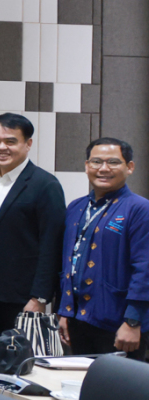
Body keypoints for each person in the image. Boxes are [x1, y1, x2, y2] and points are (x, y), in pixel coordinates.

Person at [0, 113, 67, 333]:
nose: (1, 147)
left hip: (21, 295)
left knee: (17, 352)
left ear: (28, 144)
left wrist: (40, 297)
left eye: (10, 141)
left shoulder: (46, 185)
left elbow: (52, 244)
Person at [56, 138, 149, 361]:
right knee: (80, 381)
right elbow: (68, 263)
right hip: (78, 319)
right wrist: (64, 312)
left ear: (130, 167)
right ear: (86, 166)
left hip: (119, 324)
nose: (104, 168)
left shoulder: (139, 209)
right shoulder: (76, 207)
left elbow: (145, 270)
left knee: (118, 384)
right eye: (96, 162)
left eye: (113, 162)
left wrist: (133, 322)